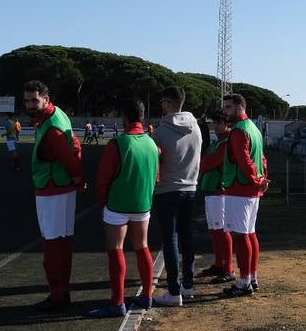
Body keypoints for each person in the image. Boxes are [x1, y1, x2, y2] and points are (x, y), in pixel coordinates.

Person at [91, 99, 160, 317]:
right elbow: (156, 177)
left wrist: (103, 203)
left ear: (125, 118)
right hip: (142, 204)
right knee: (142, 247)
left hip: (117, 205)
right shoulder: (152, 144)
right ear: (142, 117)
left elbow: (103, 179)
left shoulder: (118, 143)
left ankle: (117, 302)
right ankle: (147, 295)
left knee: (116, 251)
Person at [24, 80, 84, 310]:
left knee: (52, 245)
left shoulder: (52, 126)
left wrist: (79, 179)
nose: (30, 104)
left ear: (46, 99)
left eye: (34, 100)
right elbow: (73, 146)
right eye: (27, 100)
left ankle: (58, 295)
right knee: (62, 242)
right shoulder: (57, 114)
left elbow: (68, 154)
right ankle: (62, 293)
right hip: (62, 187)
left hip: (52, 189)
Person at [150, 87, 202, 307]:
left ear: (168, 104)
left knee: (170, 239)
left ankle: (173, 290)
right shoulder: (196, 128)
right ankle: (187, 285)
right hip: (190, 188)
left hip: (167, 190)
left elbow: (153, 161)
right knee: (187, 237)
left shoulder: (161, 132)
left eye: (163, 102)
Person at [218, 94, 269, 297]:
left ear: (240, 107)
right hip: (250, 190)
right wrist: (262, 179)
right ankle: (252, 278)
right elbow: (262, 159)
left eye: (228, 108)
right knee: (249, 234)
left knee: (241, 236)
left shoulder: (239, 131)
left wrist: (257, 180)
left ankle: (244, 282)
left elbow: (244, 160)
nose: (225, 112)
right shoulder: (253, 129)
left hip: (240, 188)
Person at [198, 114, 234, 282]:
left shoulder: (225, 144)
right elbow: (204, 162)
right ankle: (219, 264)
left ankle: (228, 268)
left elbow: (206, 164)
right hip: (211, 190)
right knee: (215, 230)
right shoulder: (217, 143)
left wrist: (205, 163)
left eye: (220, 123)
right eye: (215, 123)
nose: (216, 126)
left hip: (220, 191)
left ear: (228, 125)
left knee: (222, 230)